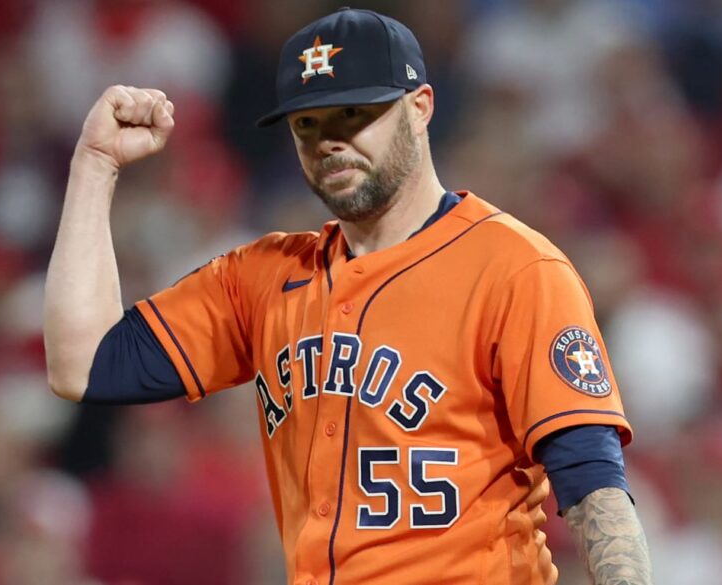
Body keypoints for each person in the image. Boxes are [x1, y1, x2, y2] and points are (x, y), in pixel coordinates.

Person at [44, 8, 652, 585]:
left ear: (420, 107)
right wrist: (95, 166)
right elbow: (83, 364)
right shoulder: (265, 277)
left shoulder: (515, 269)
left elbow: (593, 484)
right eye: (308, 124)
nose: (329, 142)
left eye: (353, 114)